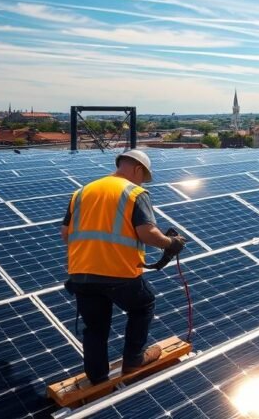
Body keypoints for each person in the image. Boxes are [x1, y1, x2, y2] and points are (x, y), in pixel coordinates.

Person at [61, 149, 186, 384]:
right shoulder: (134, 193)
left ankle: (97, 376)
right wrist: (171, 243)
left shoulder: (81, 192)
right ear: (138, 169)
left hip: (81, 273)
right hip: (118, 271)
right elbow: (147, 233)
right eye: (143, 176)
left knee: (95, 327)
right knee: (143, 304)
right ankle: (133, 359)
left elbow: (65, 234)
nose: (142, 181)